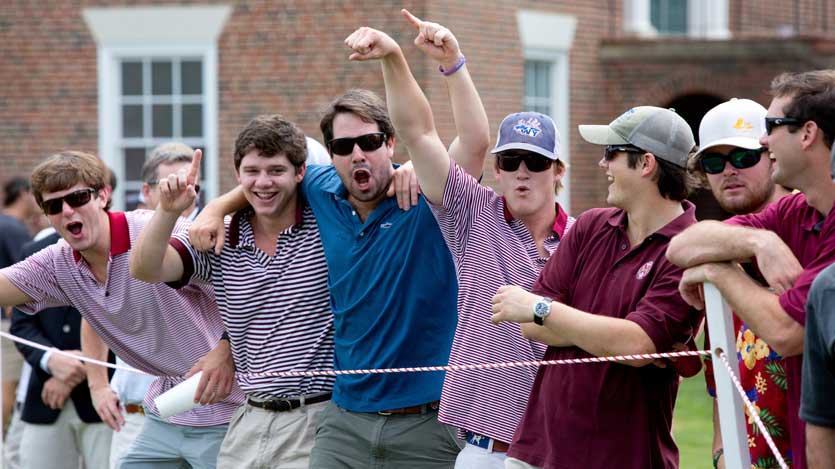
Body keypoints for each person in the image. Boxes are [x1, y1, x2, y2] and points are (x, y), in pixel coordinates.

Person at [343, 14, 571, 468]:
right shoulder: (474, 213)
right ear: (498, 169)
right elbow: (419, 134)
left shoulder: (585, 237)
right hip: (482, 450)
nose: (523, 171)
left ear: (558, 171)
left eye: (536, 161)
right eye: (511, 161)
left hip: (557, 446)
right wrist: (398, 57)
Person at [191, 89, 462, 467]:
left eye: (369, 142)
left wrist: (411, 166)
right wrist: (216, 207)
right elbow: (267, 176)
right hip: (344, 418)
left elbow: (466, 143)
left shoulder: (424, 198)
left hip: (425, 417)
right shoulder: (322, 189)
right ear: (330, 155)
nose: (357, 154)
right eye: (343, 146)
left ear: (390, 143)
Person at [0, 150, 242, 469]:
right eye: (54, 205)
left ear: (103, 195)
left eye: (78, 197)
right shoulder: (57, 262)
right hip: (167, 413)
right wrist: (98, 385)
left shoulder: (157, 231)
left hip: (228, 408)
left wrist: (226, 349)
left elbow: (252, 287)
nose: (67, 210)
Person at [491, 106, 701, 468]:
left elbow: (637, 345)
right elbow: (530, 327)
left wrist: (546, 311)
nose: (603, 165)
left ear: (646, 163)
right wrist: (605, 333)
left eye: (612, 154)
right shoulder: (590, 225)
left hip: (624, 457)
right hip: (539, 451)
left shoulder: (691, 248)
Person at [130, 117, 336, 468]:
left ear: (300, 172)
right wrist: (167, 211)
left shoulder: (329, 227)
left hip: (316, 418)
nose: (263, 182)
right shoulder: (219, 236)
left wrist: (217, 204)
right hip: (248, 420)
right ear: (236, 173)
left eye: (276, 170)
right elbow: (146, 269)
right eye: (252, 171)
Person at [667, 70, 835, 469]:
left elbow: (787, 332)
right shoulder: (797, 213)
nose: (764, 139)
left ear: (808, 133)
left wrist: (719, 274)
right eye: (713, 161)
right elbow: (682, 246)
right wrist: (760, 243)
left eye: (771, 128)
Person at [687, 98, 793, 468]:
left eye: (744, 157)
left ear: (772, 156)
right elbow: (723, 380)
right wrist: (720, 454)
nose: (729, 170)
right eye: (715, 162)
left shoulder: (810, 226)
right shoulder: (715, 253)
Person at [101, 142, 197, 469]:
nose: (181, 192)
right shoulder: (120, 238)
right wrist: (97, 384)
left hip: (204, 415)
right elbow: (94, 310)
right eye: (169, 183)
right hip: (137, 415)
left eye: (190, 184)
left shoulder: (209, 237)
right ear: (146, 190)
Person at [10, 233, 111, 469]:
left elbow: (129, 322)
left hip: (104, 400)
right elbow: (21, 325)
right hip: (46, 396)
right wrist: (51, 359)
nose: (67, 210)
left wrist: (81, 366)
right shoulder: (33, 252)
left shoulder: (121, 247)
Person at [0, 178, 39, 431]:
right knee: (8, 385)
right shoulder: (13, 229)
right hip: (7, 321)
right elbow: (23, 281)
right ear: (24, 194)